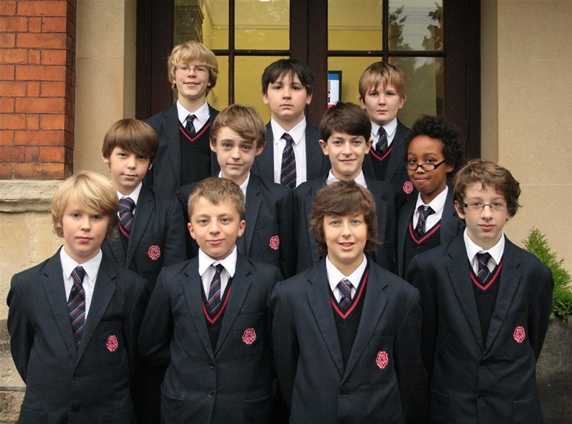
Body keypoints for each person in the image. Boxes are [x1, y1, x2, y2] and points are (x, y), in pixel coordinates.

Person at [407, 160, 553, 423]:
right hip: (453, 409)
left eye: (496, 204)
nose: (487, 214)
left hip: (513, 410)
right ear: (459, 209)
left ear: (509, 210)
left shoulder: (534, 272)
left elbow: (533, 340)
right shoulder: (429, 269)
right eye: (476, 204)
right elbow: (424, 346)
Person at [272, 181, 427, 423]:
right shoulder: (289, 295)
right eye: (335, 222)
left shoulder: (402, 296)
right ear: (320, 229)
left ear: (369, 228)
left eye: (355, 221)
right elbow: (286, 372)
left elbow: (410, 379)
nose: (346, 232)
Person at [139, 177, 282, 424]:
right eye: (203, 221)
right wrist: (188, 365)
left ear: (241, 226)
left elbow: (276, 349)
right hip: (184, 409)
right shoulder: (170, 279)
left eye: (225, 220)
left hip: (246, 410)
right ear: (191, 230)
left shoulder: (267, 279)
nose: (214, 229)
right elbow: (152, 346)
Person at [7, 171, 147, 423]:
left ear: (110, 223)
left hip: (108, 414)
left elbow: (134, 358)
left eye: (96, 216)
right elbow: (23, 352)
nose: (86, 226)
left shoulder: (131, 288)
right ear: (59, 220)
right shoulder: (27, 286)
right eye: (76, 215)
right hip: (46, 413)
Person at [101, 118, 187, 423]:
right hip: (104, 329)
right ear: (107, 157)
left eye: (141, 158)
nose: (131, 165)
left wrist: (156, 328)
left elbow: (173, 272)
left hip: (152, 333)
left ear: (150, 164)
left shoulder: (167, 207)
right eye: (123, 155)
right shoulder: (93, 206)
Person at [179, 104, 295, 276]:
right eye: (227, 145)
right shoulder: (188, 196)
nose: (235, 155)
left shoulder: (278, 198)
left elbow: (288, 263)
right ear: (213, 144)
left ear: (259, 148)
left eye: (245, 147)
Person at [294, 102, 397, 273]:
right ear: (324, 147)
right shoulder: (302, 196)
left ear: (368, 146)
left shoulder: (388, 195)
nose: (347, 151)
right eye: (338, 142)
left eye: (356, 142)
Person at [145, 40, 220, 195]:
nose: (191, 74)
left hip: (214, 208)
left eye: (200, 68)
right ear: (173, 77)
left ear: (210, 79)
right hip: (165, 210)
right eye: (184, 68)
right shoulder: (152, 128)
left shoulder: (224, 125)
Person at [396, 115, 464, 277]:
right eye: (412, 161)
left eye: (429, 161)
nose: (419, 169)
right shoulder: (402, 209)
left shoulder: (461, 214)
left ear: (449, 164)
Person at [253, 58, 329, 187]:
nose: (286, 95)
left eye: (295, 87)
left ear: (309, 96)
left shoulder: (327, 142)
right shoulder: (252, 142)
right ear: (265, 96)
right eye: (278, 87)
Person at [359, 61, 412, 198]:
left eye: (389, 93)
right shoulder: (352, 142)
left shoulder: (413, 141)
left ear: (401, 101)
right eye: (374, 94)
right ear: (362, 101)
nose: (382, 101)